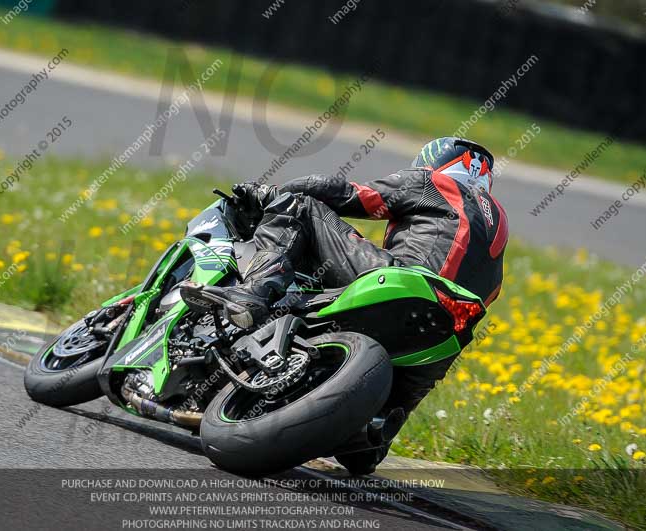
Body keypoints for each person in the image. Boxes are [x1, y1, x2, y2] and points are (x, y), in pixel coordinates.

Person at [182, 137, 508, 473]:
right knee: (365, 450)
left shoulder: (434, 183)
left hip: (403, 282)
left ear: (438, 162)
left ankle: (254, 292)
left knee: (300, 205)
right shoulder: (497, 238)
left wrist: (271, 193)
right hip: (447, 329)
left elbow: (348, 194)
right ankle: (369, 433)